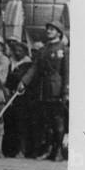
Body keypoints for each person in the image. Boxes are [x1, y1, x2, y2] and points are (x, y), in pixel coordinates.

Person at [17, 21, 69, 161]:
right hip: (44, 89)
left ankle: (58, 151)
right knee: (47, 122)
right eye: (48, 29)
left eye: (52, 29)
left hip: (57, 90)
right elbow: (34, 68)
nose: (49, 31)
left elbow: (67, 72)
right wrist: (23, 82)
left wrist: (65, 91)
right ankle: (49, 150)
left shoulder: (64, 49)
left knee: (58, 122)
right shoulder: (43, 49)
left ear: (59, 32)